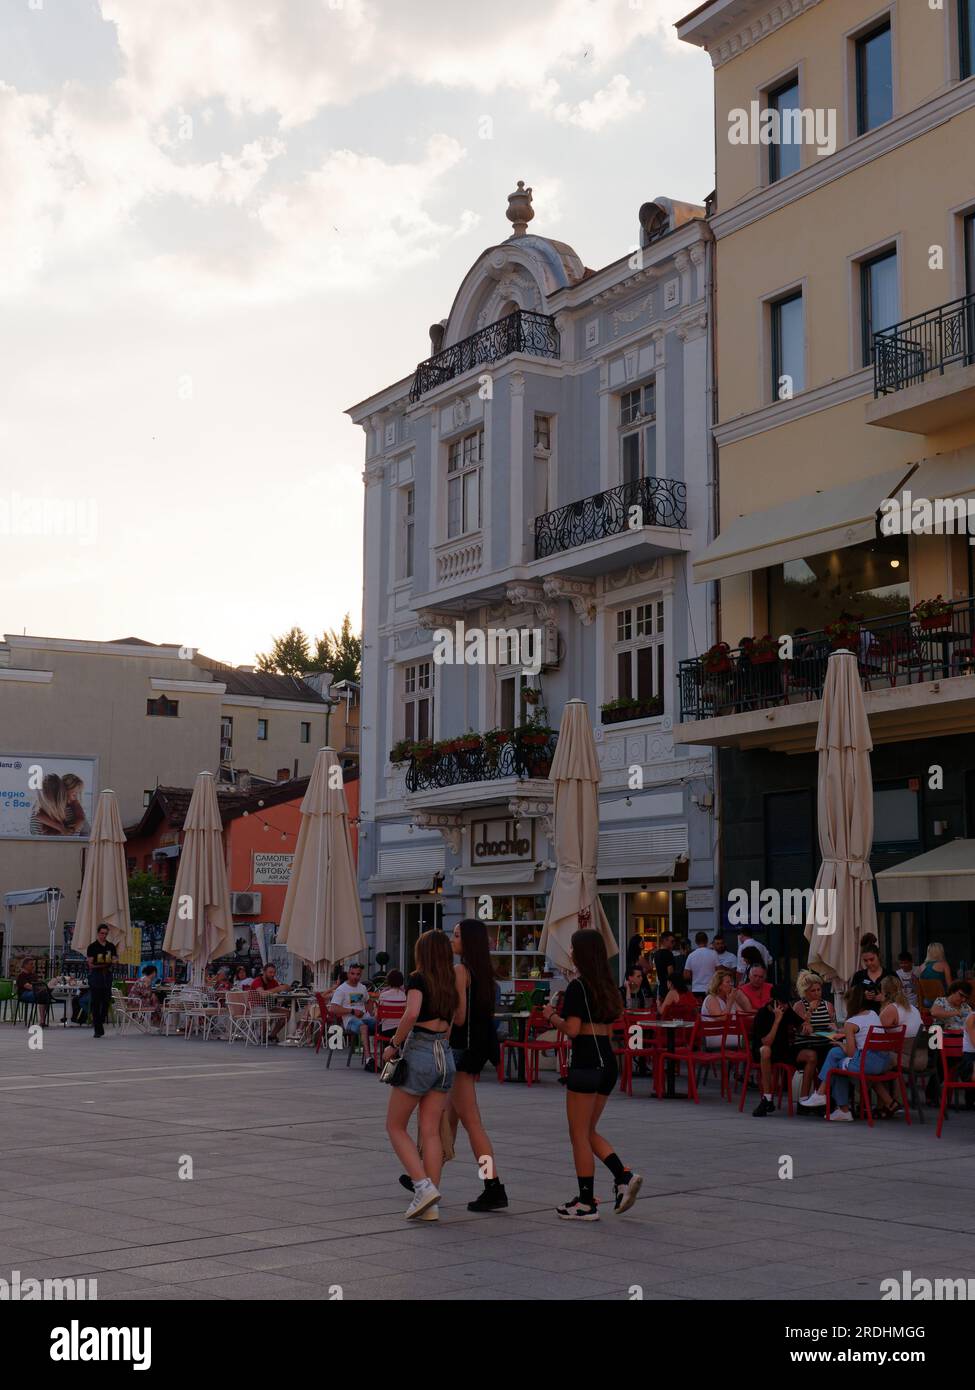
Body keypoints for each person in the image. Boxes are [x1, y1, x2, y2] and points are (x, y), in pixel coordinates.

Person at [541, 929, 642, 1221]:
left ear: (582, 953)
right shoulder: (609, 987)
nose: (570, 953)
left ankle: (586, 1202)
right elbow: (610, 1030)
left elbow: (572, 1030)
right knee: (588, 1131)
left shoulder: (578, 988)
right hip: (607, 1061)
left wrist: (550, 1016)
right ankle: (623, 1176)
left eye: (573, 948)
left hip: (585, 1061)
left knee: (578, 1135)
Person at [383, 929, 464, 1221]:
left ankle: (422, 1185)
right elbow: (458, 1018)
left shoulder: (418, 977)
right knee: (430, 1131)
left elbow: (412, 1013)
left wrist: (394, 1045)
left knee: (395, 1126)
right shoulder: (452, 981)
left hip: (420, 1051)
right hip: (445, 1055)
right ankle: (430, 1203)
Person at [447, 919, 506, 1213]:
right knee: (448, 1119)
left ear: (467, 941)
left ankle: (492, 1185)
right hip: (476, 1051)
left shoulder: (460, 971)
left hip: (460, 1053)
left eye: (456, 935)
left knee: (472, 1124)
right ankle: (422, 1174)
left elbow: (459, 1017)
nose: (451, 940)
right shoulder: (486, 974)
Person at [800, 986, 894, 1121]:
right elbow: (862, 1032)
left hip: (866, 1064)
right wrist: (842, 1032)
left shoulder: (851, 1022)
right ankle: (832, 1103)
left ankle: (831, 1101)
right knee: (836, 1055)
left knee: (835, 1061)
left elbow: (850, 1053)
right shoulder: (873, 1014)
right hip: (883, 1061)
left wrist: (841, 1044)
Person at [750, 984, 818, 1116]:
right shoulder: (762, 1014)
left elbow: (800, 1024)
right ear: (774, 1001)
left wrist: (805, 1025)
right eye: (782, 1002)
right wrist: (777, 1021)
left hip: (783, 1050)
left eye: (787, 1002)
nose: (786, 1005)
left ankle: (803, 1101)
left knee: (812, 1055)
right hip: (765, 1052)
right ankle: (767, 1098)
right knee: (765, 1050)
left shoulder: (787, 1010)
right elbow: (767, 1042)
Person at [330, 961, 376, 1057]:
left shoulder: (362, 988)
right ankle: (368, 1059)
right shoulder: (342, 989)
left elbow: (368, 1001)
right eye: (352, 974)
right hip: (350, 1020)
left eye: (358, 974)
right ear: (348, 974)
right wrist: (352, 1011)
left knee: (383, 1024)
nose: (355, 977)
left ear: (361, 975)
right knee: (363, 1026)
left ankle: (384, 1059)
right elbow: (333, 1009)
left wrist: (372, 1013)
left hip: (365, 1018)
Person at [86, 924, 118, 1038]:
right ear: (98, 933)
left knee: (106, 1000)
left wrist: (112, 961)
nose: (103, 935)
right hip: (96, 976)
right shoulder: (92, 946)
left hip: (107, 974)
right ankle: (98, 1029)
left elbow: (115, 959)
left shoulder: (111, 946)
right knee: (95, 1002)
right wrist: (98, 964)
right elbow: (90, 963)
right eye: (102, 933)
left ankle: (100, 1021)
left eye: (105, 933)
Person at [848, 941, 893, 1015]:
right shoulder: (859, 976)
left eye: (872, 959)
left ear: (878, 956)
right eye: (865, 960)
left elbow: (900, 996)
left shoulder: (890, 974)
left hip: (887, 1016)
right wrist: (863, 995)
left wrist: (885, 998)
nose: (869, 963)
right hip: (864, 1017)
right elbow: (850, 997)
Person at [250, 962, 288, 1042]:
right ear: (264, 972)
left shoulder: (273, 981)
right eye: (270, 972)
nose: (272, 974)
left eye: (274, 972)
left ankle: (272, 1035)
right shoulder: (257, 981)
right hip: (255, 1007)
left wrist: (287, 988)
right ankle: (262, 1037)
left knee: (287, 1013)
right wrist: (278, 989)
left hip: (269, 1006)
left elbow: (280, 991)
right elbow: (263, 994)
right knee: (265, 1013)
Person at [683, 931, 720, 1001]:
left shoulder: (691, 955)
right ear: (707, 941)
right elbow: (719, 971)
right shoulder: (713, 953)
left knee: (698, 1010)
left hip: (696, 989)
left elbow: (686, 975)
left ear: (696, 942)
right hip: (711, 989)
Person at [15, 957, 51, 1026]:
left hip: (35, 992)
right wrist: (39, 989)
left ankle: (42, 1020)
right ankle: (42, 1020)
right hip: (24, 994)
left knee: (44, 994)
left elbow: (39, 984)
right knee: (43, 994)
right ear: (25, 965)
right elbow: (27, 986)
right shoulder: (21, 975)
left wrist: (43, 988)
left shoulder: (33, 975)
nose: (33, 966)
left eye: (33, 964)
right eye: (31, 964)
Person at [651, 932, 677, 1002]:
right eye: (672, 941)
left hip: (661, 986)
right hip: (668, 986)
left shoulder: (657, 954)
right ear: (665, 940)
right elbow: (670, 972)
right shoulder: (668, 954)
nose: (673, 944)